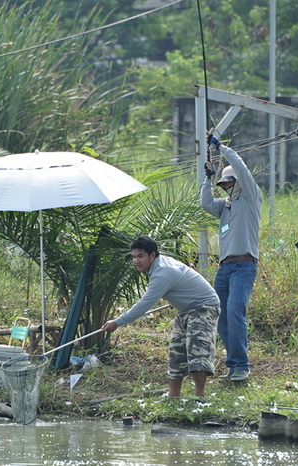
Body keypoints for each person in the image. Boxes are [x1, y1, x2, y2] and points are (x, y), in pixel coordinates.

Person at [102, 235, 220, 398]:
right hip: (185, 310)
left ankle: (199, 398)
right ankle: (173, 396)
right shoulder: (157, 266)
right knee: (176, 351)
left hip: (203, 307)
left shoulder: (162, 273)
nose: (136, 261)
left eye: (140, 256)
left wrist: (117, 322)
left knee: (197, 350)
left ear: (153, 255)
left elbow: (144, 305)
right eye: (134, 257)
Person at [200, 134, 262, 382]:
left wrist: (220, 147)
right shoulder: (224, 207)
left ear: (237, 182)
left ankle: (242, 366)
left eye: (228, 183)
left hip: (243, 267)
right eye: (223, 184)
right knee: (222, 314)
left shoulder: (250, 198)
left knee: (236, 309)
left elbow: (241, 167)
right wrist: (208, 177)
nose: (226, 187)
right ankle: (233, 365)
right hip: (224, 269)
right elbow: (205, 202)